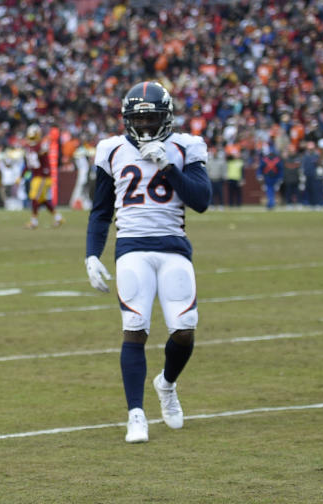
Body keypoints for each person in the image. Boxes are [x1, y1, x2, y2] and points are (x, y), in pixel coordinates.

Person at [84, 81, 211, 443]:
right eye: (138, 121)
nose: (145, 128)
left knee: (185, 329)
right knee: (135, 327)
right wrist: (92, 253)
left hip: (173, 246)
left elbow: (201, 200)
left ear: (166, 118)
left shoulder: (186, 146)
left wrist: (169, 166)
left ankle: (167, 384)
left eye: (152, 119)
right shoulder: (111, 149)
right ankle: (135, 414)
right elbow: (101, 210)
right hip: (132, 247)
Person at [22, 124, 64, 229]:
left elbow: (43, 159)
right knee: (42, 200)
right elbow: (29, 163)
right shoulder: (29, 147)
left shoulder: (41, 146)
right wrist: (22, 175)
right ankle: (58, 218)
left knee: (35, 198)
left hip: (42, 177)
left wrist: (46, 174)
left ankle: (34, 222)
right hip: (36, 176)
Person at [257, 144, 282, 210]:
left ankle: (270, 203)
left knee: (270, 191)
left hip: (270, 177)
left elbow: (260, 169)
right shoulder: (277, 160)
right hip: (270, 177)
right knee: (270, 191)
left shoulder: (265, 160)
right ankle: (271, 203)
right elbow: (280, 170)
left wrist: (259, 175)